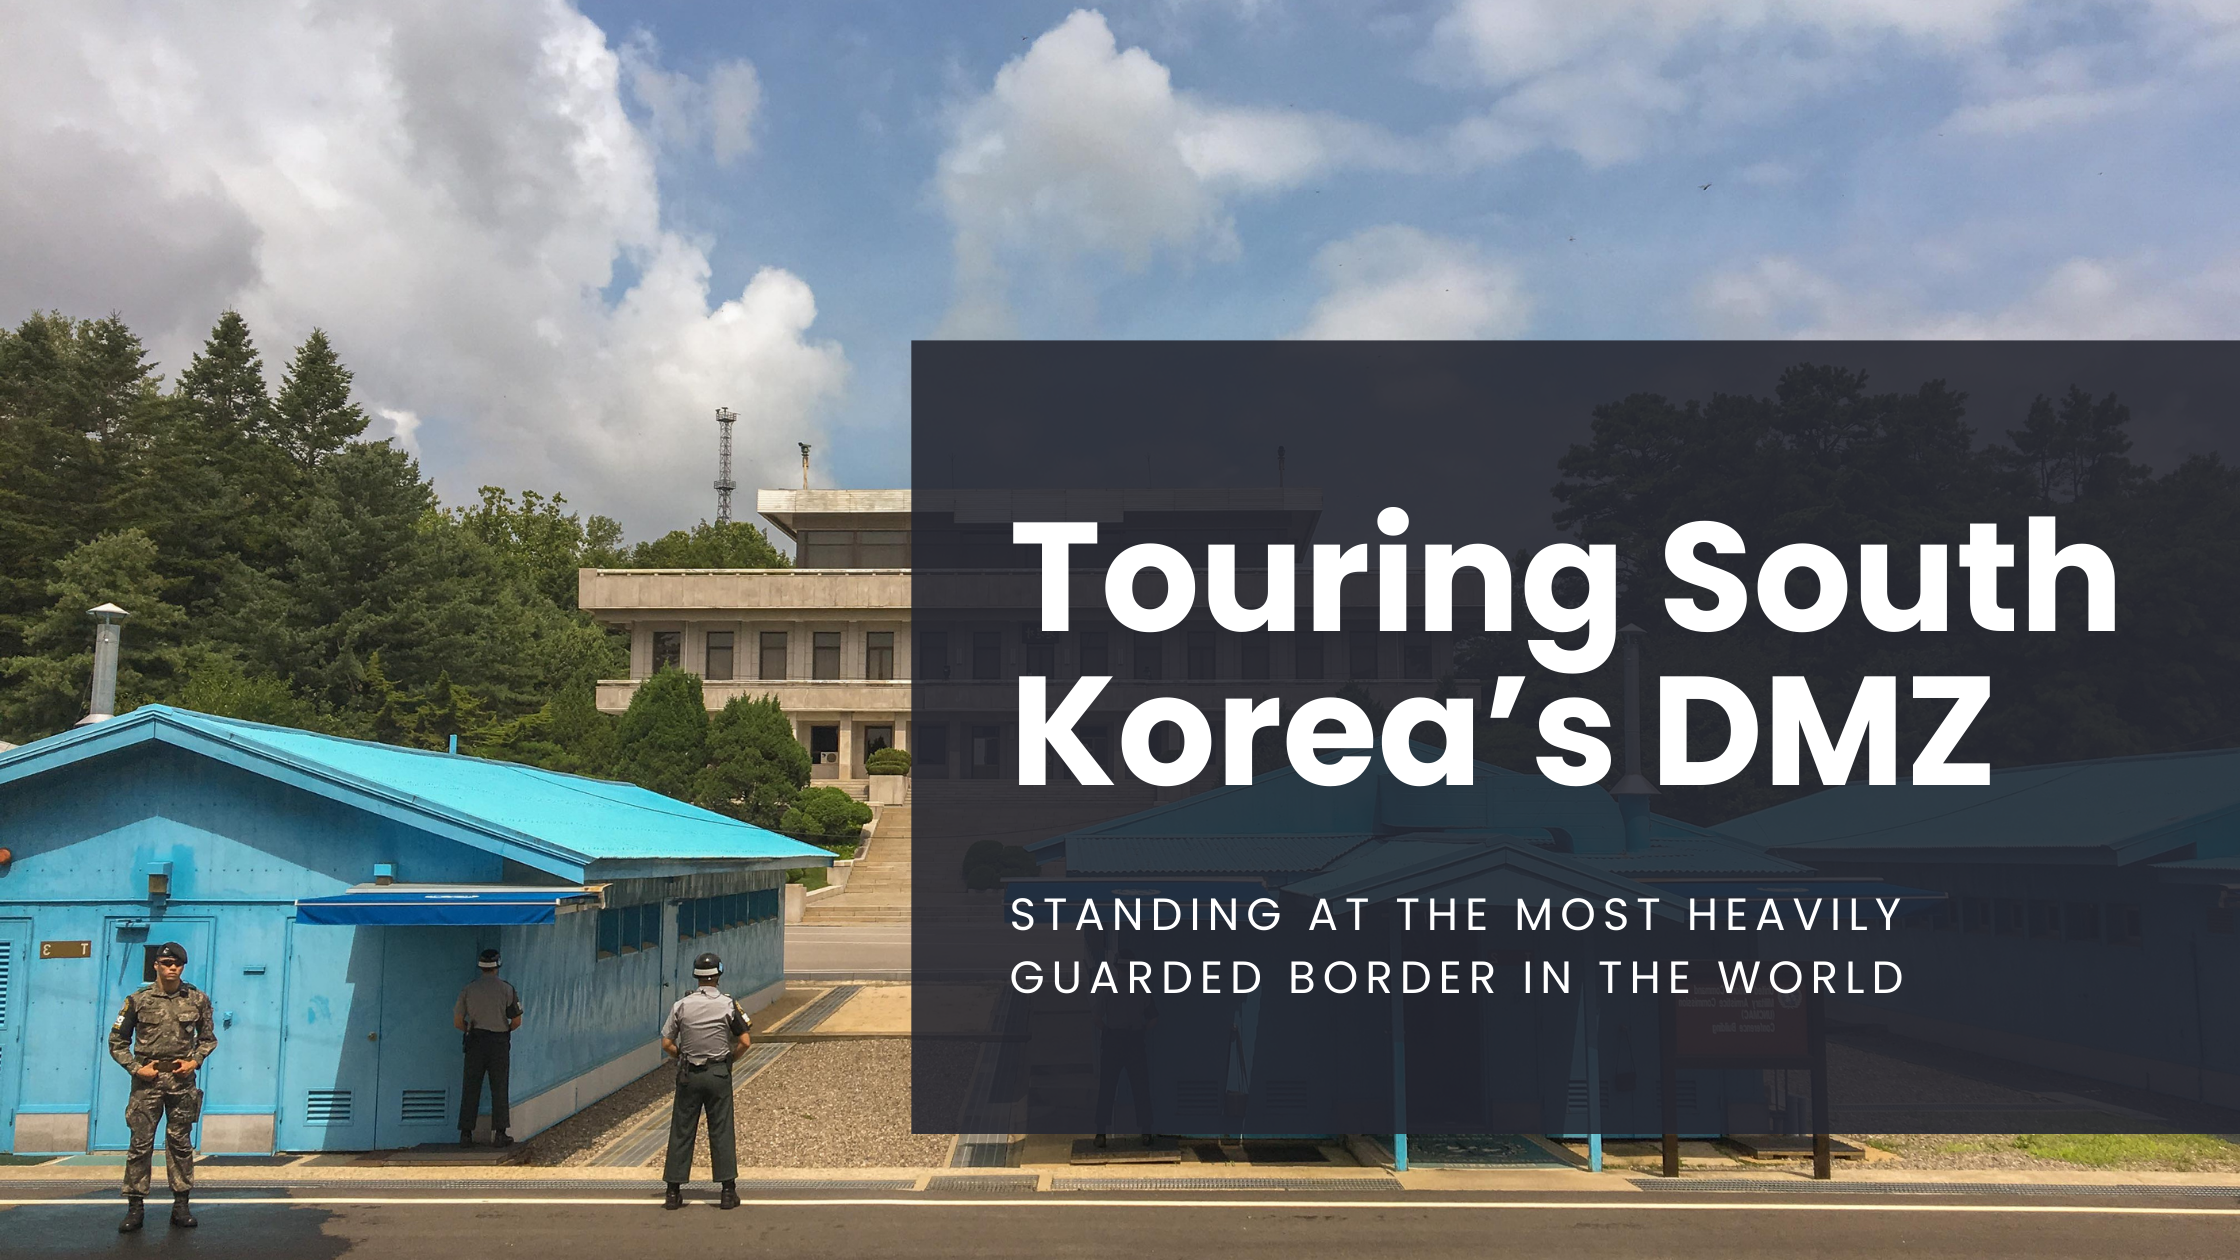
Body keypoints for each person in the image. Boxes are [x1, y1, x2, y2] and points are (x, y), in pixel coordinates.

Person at [108, 941, 216, 1233]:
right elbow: (117, 1041)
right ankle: (135, 1207)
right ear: (156, 965)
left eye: (177, 964)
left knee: (180, 1143)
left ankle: (181, 1205)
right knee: (140, 1144)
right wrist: (135, 1068)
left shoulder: (197, 999)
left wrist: (194, 1061)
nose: (172, 968)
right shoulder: (138, 1000)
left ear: (182, 967)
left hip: (182, 1083)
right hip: (148, 1081)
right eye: (166, 963)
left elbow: (208, 1039)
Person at [660, 952, 751, 1210]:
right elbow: (745, 1041)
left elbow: (667, 1043)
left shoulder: (682, 1005)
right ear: (719, 975)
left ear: (696, 976)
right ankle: (727, 1191)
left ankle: (673, 1192)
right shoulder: (728, 1005)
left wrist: (681, 1056)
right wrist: (729, 1059)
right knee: (721, 1129)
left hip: (689, 1073)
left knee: (682, 1128)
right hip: (718, 1072)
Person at [453, 947, 523, 1147]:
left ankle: (466, 1134)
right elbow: (516, 1021)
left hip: (475, 1039)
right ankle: (500, 1133)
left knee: (471, 1086)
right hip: (499, 1041)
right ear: (497, 966)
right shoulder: (507, 989)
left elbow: (458, 1021)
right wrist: (504, 1029)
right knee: (499, 1086)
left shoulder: (468, 989)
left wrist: (469, 1029)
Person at [1092, 944, 1158, 1149]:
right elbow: (1154, 1018)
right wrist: (1141, 1030)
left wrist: (1107, 1030)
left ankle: (1101, 1134)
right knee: (1141, 1086)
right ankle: (1146, 1132)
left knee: (1107, 1087)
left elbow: (1096, 1017)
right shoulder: (1141, 988)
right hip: (1135, 1040)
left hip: (1113, 1040)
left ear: (1117, 968)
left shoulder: (1108, 988)